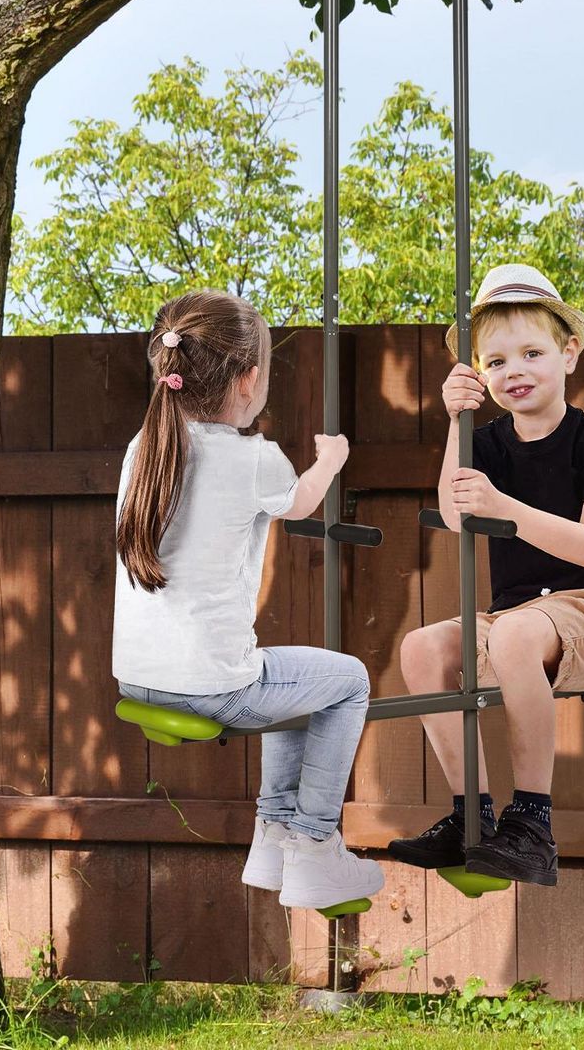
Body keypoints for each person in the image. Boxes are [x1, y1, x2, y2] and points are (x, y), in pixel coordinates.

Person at [111, 289, 384, 911]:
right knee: (348, 682)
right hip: (208, 686)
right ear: (249, 379)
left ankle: (273, 841)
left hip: (139, 677)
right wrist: (331, 459)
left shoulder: (143, 448)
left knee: (291, 681)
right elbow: (303, 502)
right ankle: (313, 844)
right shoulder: (253, 458)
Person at [387, 263, 584, 886]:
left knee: (511, 634)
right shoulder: (486, 444)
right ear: (480, 375)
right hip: (516, 619)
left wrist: (504, 506)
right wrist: (455, 424)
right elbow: (456, 515)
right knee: (421, 648)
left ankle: (532, 823)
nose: (515, 371)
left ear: (569, 355)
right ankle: (471, 816)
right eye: (497, 361)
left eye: (532, 353)